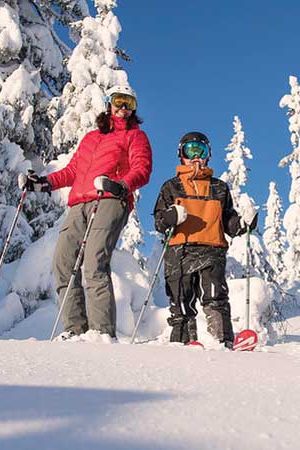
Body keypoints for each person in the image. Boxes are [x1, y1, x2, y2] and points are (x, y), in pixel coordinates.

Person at [19, 85, 152, 340]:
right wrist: (43, 183)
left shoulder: (135, 137)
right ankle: (75, 330)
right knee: (63, 263)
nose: (123, 109)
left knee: (94, 263)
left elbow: (142, 168)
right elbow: (72, 172)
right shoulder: (92, 138)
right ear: (108, 104)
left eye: (129, 104)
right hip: (79, 204)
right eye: (119, 101)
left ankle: (101, 333)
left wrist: (121, 185)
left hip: (110, 199)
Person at [153, 132, 258, 349]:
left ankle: (222, 341)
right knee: (181, 301)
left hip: (212, 249)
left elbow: (227, 220)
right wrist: (170, 217)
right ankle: (183, 343)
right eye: (189, 150)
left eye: (200, 151)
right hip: (179, 251)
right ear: (181, 155)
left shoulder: (219, 187)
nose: (195, 156)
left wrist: (242, 223)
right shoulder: (171, 186)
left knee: (215, 297)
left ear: (208, 155)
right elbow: (159, 220)